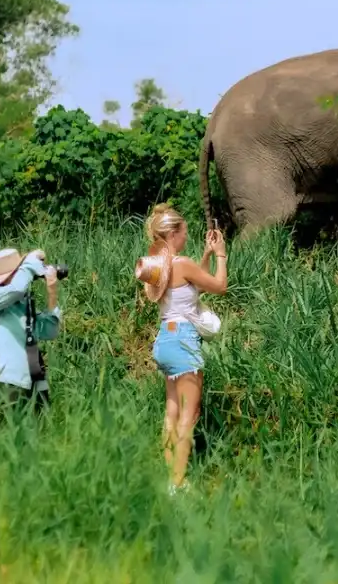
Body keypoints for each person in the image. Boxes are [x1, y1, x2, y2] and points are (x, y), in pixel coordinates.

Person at [135, 203, 227, 494]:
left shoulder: (159, 266)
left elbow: (192, 287)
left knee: (171, 412)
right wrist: (222, 255)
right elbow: (219, 286)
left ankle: (170, 476)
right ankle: (178, 482)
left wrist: (206, 254)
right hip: (184, 340)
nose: (187, 236)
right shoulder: (181, 264)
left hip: (165, 340)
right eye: (184, 231)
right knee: (190, 413)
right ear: (173, 233)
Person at [0, 248, 62, 418]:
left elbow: (50, 331)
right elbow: (16, 289)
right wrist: (29, 264)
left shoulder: (22, 305)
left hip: (30, 381)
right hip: (1, 381)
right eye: (18, 271)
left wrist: (52, 292)